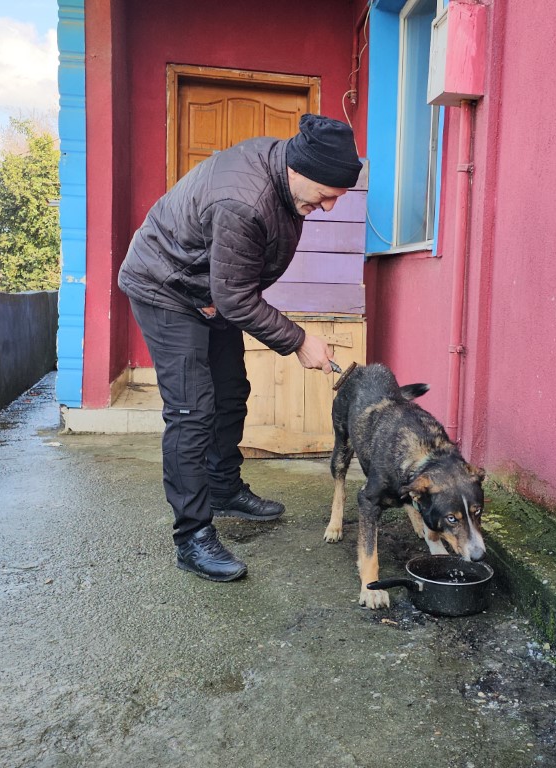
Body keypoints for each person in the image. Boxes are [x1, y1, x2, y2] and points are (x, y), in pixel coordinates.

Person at [117, 114, 363, 583]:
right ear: (301, 170)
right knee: (192, 410)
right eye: (329, 195)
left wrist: (219, 300)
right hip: (165, 287)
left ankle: (223, 487)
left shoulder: (286, 180)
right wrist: (298, 341)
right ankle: (192, 536)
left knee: (230, 390)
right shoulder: (244, 199)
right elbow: (236, 297)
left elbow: (231, 289)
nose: (332, 207)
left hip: (209, 291)